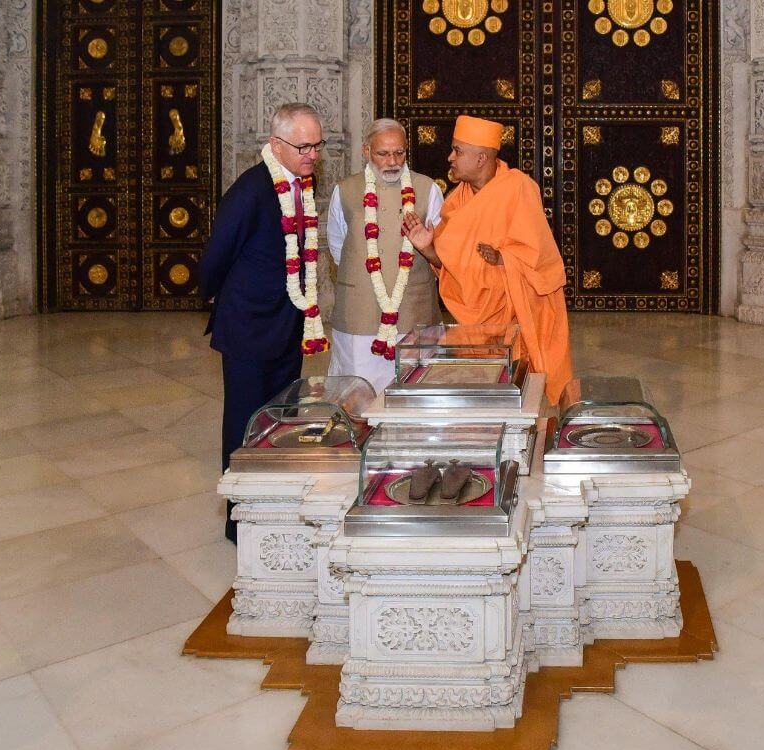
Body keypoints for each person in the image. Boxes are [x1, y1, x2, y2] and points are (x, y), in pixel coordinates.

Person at [198, 102, 325, 544]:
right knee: (244, 422)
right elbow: (216, 255)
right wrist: (214, 294)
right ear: (276, 144)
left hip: (286, 326)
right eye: (303, 145)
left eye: (317, 145)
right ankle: (240, 519)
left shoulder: (301, 186)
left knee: (279, 419)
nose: (312, 154)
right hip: (249, 328)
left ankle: (273, 504)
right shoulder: (251, 190)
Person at [403, 115, 574, 404]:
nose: (450, 157)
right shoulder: (457, 201)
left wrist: (505, 258)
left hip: (518, 315)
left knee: (524, 396)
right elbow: (450, 265)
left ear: (481, 158)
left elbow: (544, 258)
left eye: (458, 150)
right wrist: (427, 248)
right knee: (486, 397)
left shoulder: (518, 188)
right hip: (476, 325)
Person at [326, 119, 444, 391]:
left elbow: (443, 253)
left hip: (414, 311)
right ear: (366, 152)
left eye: (399, 153)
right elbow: (338, 248)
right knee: (356, 395)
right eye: (383, 153)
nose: (392, 161)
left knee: (413, 395)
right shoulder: (344, 190)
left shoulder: (428, 189)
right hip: (359, 314)